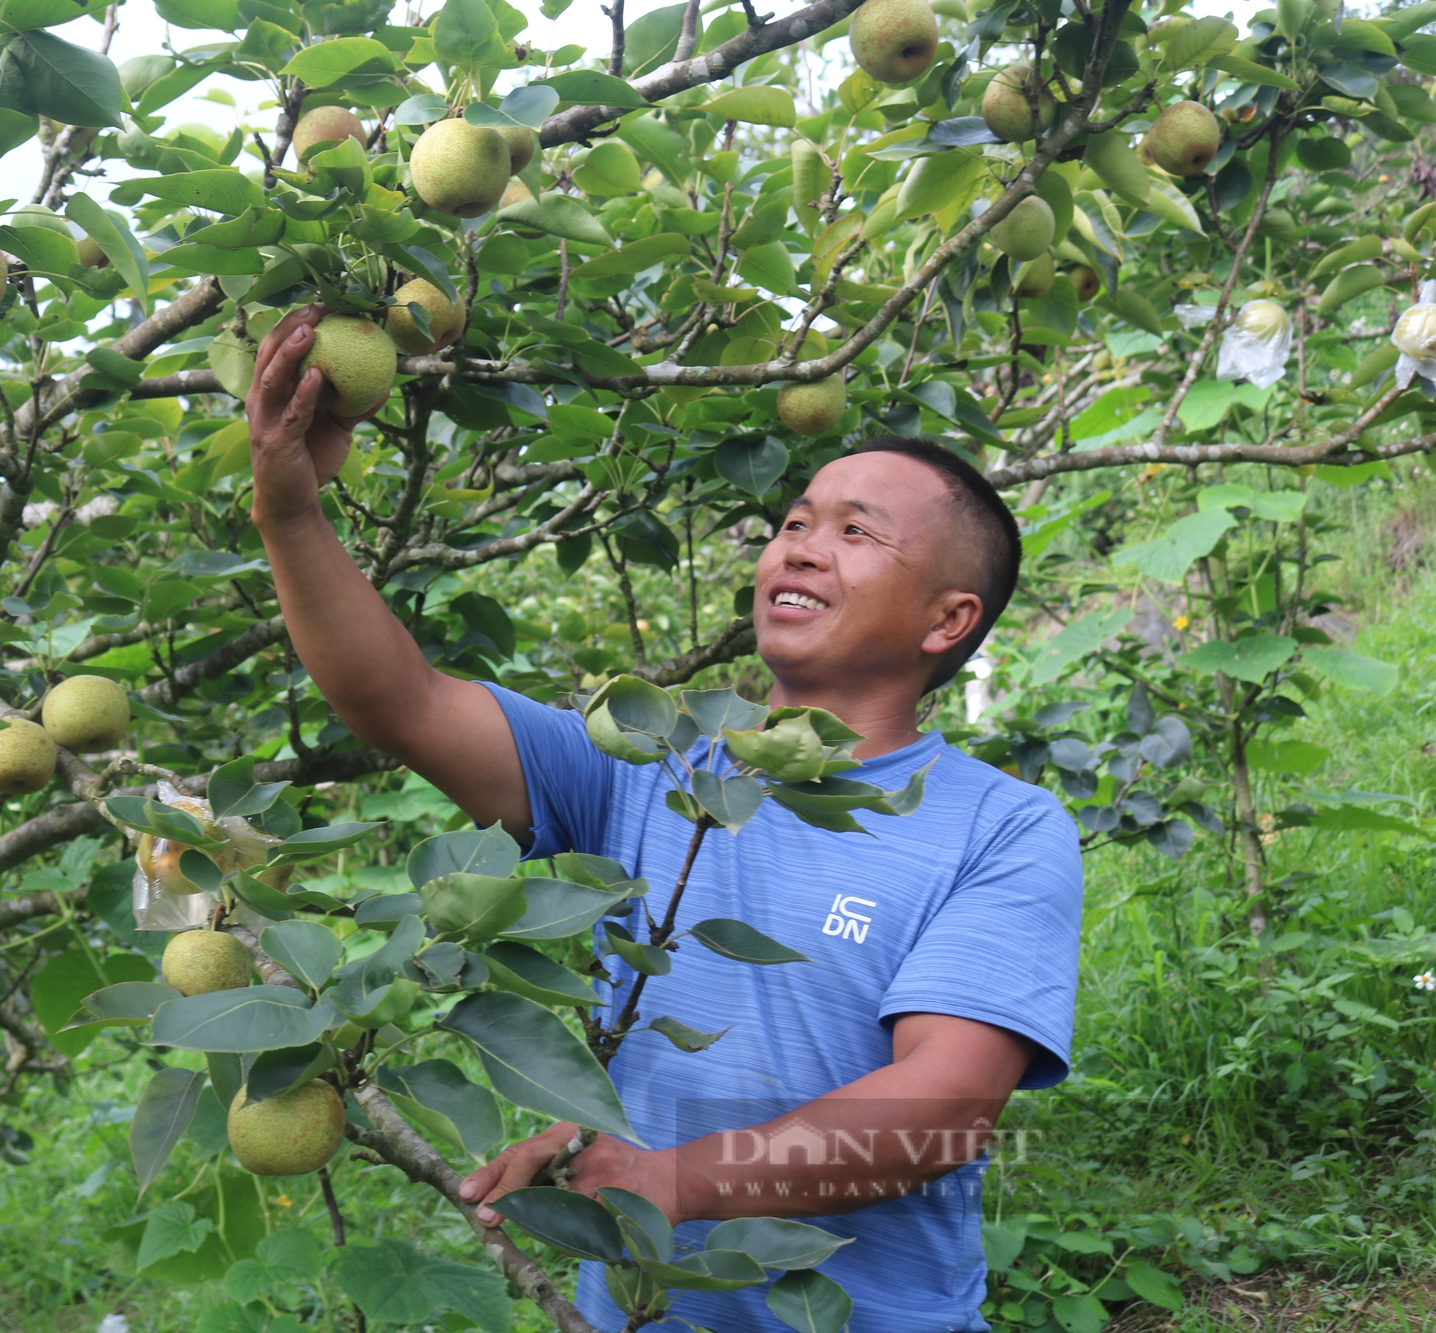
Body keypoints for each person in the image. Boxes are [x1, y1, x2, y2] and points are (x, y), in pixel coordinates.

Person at [245, 305, 1084, 1333]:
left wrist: (671, 1178)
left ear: (946, 620)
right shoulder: (649, 766)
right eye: (793, 523)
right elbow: (400, 701)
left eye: (854, 532)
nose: (801, 550)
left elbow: (943, 1107)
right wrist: (288, 511)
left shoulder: (998, 827)